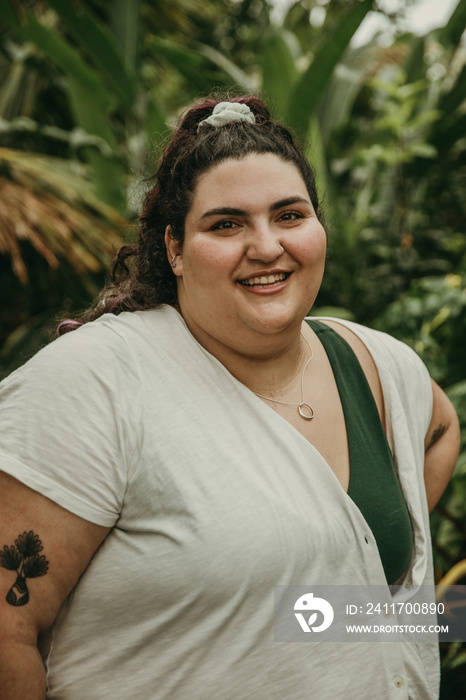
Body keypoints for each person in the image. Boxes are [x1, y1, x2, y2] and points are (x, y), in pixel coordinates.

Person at [0, 96, 460, 700]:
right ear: (174, 249)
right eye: (226, 224)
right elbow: (9, 628)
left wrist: (336, 597)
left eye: (290, 215)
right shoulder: (96, 381)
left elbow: (441, 430)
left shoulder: (376, 362)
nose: (267, 246)